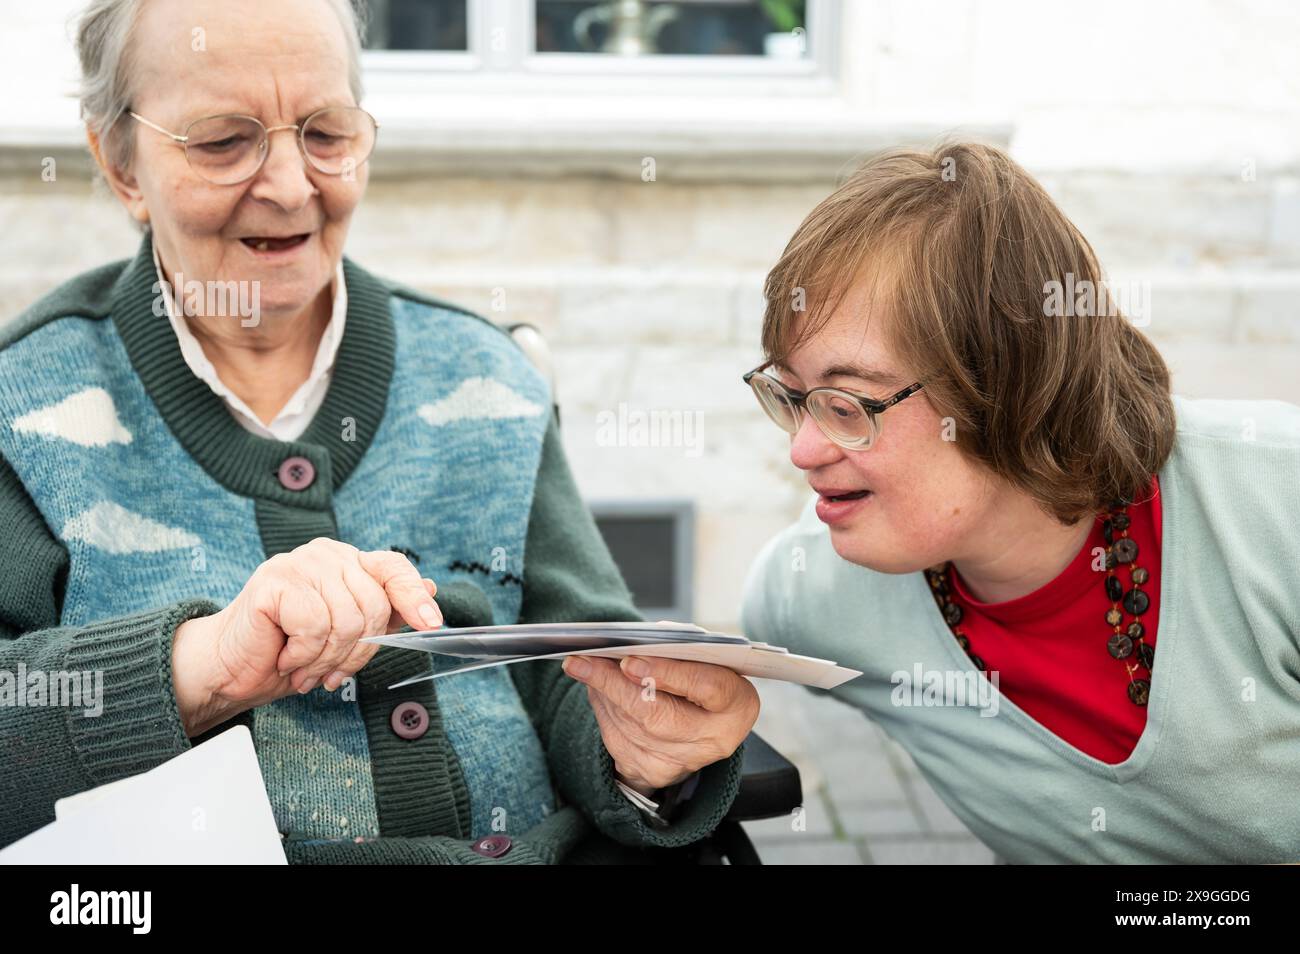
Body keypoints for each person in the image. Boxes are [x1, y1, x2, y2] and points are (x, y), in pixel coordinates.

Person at [0, 0, 758, 863]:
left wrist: (645, 752)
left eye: (325, 133)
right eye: (221, 141)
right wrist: (202, 664)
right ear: (120, 163)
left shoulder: (483, 375)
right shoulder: (22, 406)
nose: (290, 187)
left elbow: (576, 659)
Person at [740, 140, 1300, 863]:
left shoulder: (1273, 503)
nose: (803, 450)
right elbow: (720, 679)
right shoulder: (809, 594)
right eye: (791, 397)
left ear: (1007, 383)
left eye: (847, 402)